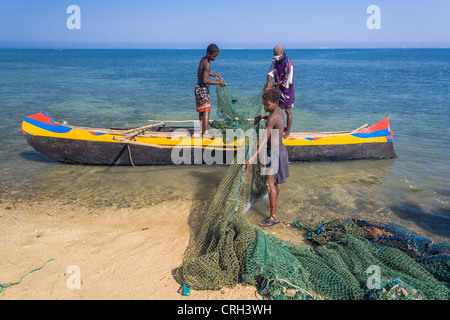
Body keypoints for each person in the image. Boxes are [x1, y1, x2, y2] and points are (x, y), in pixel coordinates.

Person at [245, 89, 289, 227]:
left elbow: (264, 141)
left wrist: (252, 158)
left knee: (269, 183)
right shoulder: (279, 111)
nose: (265, 107)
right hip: (281, 150)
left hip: (274, 153)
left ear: (275, 102)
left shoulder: (272, 118)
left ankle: (273, 217)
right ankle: (273, 209)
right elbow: (274, 119)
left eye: (267, 105)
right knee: (275, 183)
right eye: (264, 104)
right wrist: (263, 117)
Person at [195, 43, 227, 138]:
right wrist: (218, 83)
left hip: (198, 88)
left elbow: (205, 72)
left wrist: (214, 75)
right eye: (214, 56)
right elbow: (205, 80)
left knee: (202, 110)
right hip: (202, 88)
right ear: (208, 53)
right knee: (206, 110)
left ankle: (202, 131)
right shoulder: (207, 63)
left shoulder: (203, 60)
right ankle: (206, 133)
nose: (215, 58)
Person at [264, 45, 294, 139]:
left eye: (278, 57)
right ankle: (275, 130)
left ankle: (288, 132)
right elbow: (271, 71)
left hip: (286, 90)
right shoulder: (275, 61)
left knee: (288, 110)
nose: (276, 60)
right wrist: (268, 83)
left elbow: (287, 81)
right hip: (277, 88)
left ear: (282, 55)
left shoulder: (289, 65)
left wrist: (272, 84)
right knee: (275, 108)